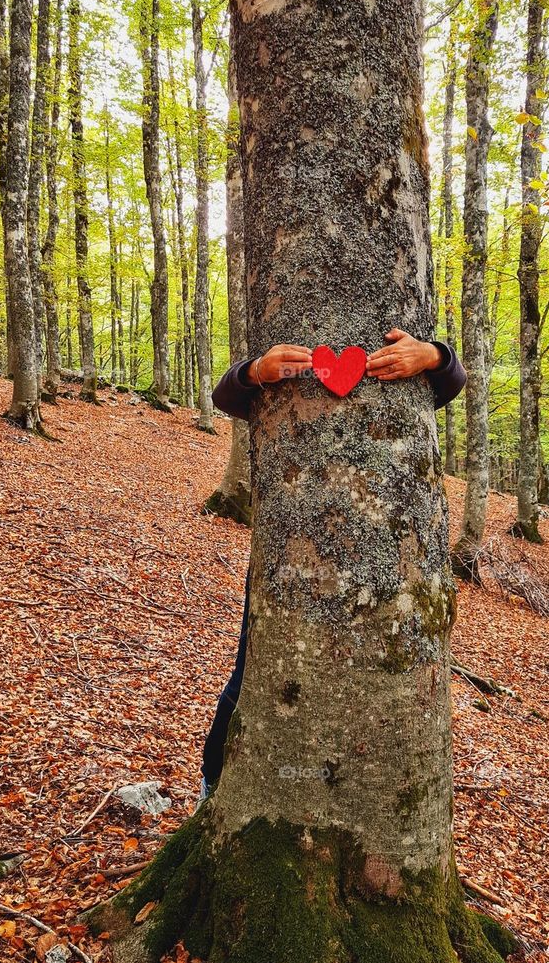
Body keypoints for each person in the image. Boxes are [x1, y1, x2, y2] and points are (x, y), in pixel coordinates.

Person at [199, 327, 467, 802]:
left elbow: (453, 381)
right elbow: (225, 395)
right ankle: (213, 780)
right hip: (292, 555)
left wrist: (433, 355)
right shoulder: (283, 364)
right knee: (251, 669)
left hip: (385, 563)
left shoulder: (407, 357)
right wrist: (256, 371)